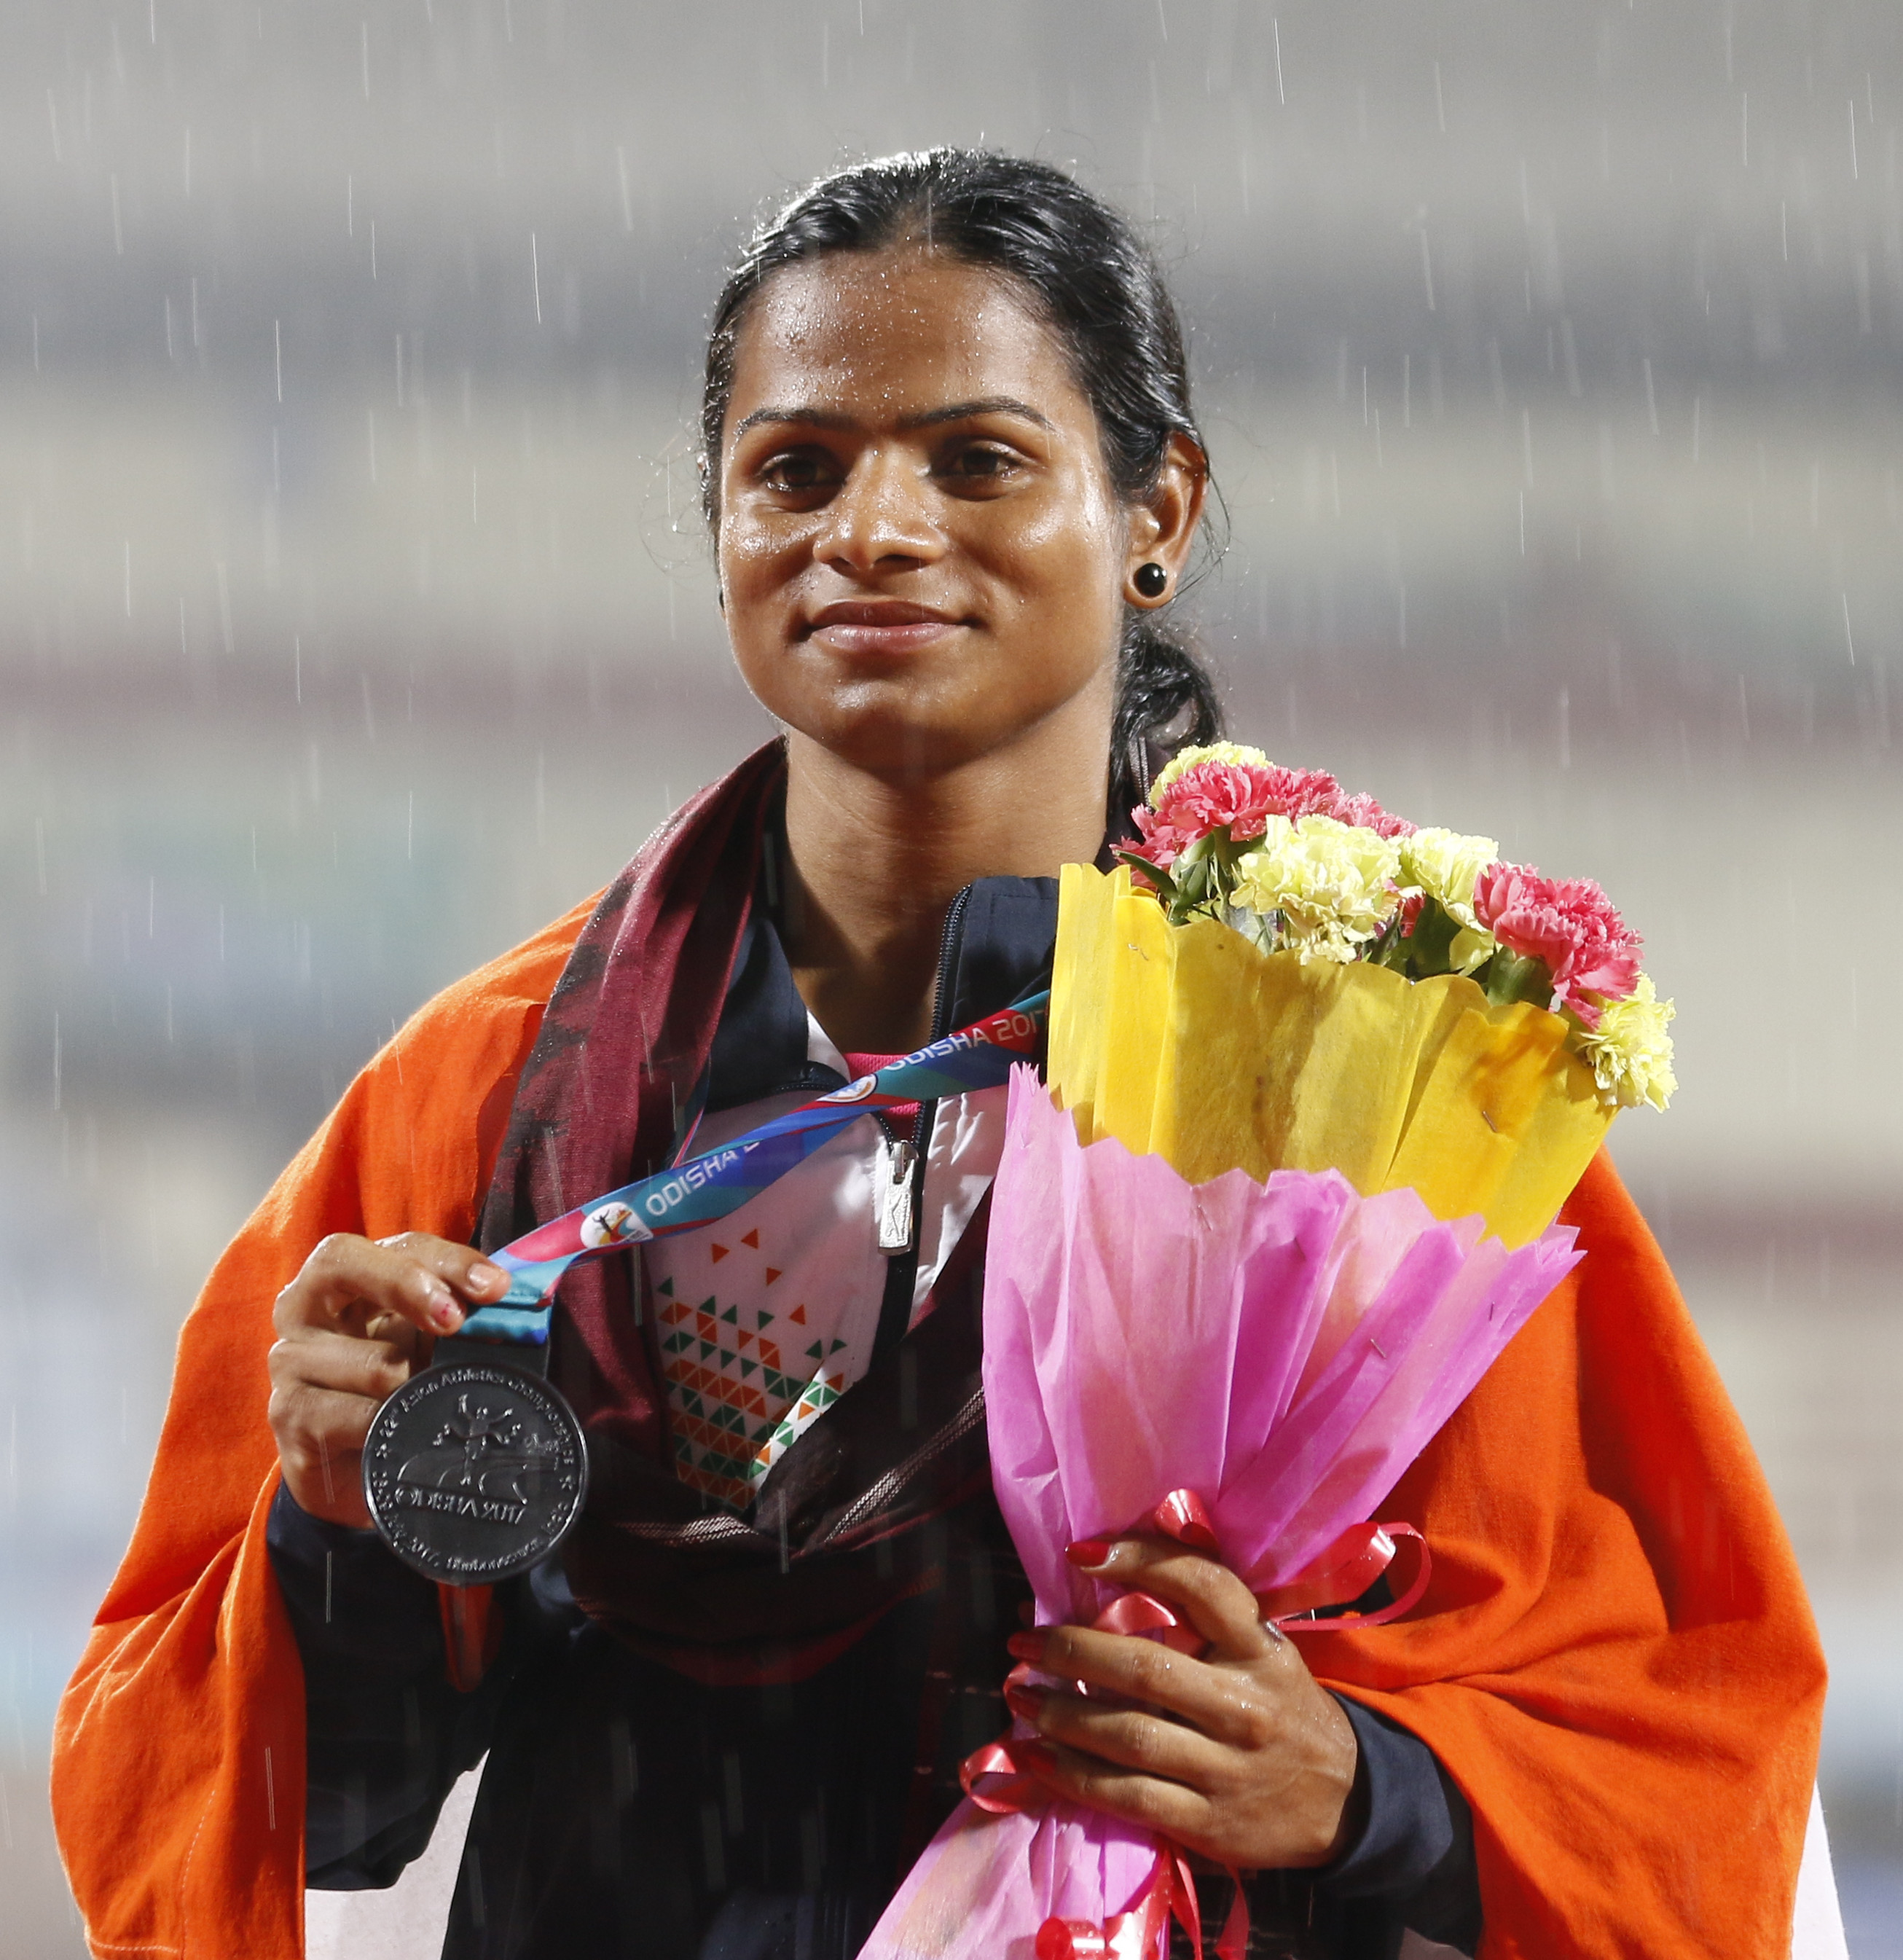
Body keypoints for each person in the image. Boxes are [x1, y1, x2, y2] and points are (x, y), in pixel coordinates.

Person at [52, 150, 1826, 1960]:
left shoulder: (1360, 1077)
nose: (873, 531)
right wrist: (338, 1533)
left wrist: (1363, 1794)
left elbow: (1691, 1760)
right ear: (723, 528)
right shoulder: (491, 1086)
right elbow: (304, 1815)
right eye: (795, 471)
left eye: (975, 460)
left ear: (1160, 509)